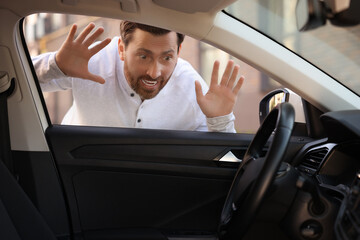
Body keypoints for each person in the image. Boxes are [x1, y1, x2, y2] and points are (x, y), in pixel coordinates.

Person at [33, 21, 244, 132]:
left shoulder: (192, 87)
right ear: (122, 49)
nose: (154, 72)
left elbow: (223, 161)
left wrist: (220, 120)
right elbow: (12, 78)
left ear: (178, 52)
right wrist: (56, 66)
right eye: (144, 56)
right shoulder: (92, 59)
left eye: (167, 58)